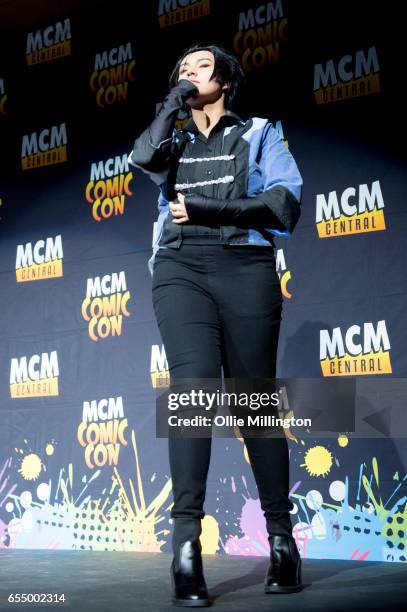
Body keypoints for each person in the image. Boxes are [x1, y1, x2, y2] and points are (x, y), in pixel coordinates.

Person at [129, 42, 303, 607]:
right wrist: (170, 101)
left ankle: (281, 540)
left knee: (254, 402)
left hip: (245, 266)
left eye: (201, 66)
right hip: (180, 268)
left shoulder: (258, 131)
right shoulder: (172, 138)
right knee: (192, 395)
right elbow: (142, 159)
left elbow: (284, 204)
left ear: (225, 79)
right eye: (182, 68)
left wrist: (212, 210)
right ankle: (185, 548)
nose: (190, 72)